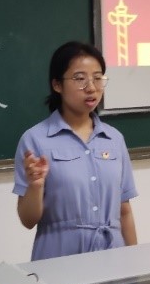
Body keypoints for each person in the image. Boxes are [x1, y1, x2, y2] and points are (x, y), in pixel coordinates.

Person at [13, 41, 138, 261]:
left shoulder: (114, 139)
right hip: (58, 256)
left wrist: (136, 264)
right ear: (57, 85)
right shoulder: (35, 139)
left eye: (97, 78)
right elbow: (28, 220)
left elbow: (124, 210)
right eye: (80, 79)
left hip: (113, 256)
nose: (91, 88)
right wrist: (35, 185)